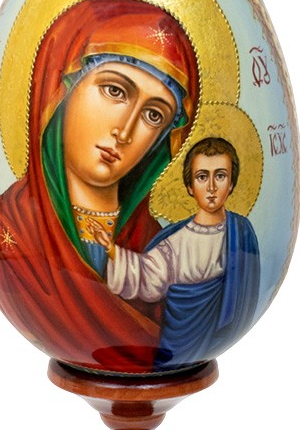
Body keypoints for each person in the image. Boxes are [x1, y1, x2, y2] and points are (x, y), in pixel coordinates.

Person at [0, 0, 199, 373]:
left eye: (153, 114)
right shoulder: (3, 232)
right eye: (115, 91)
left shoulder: (162, 251)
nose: (125, 131)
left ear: (164, 141)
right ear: (61, 90)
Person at [90, 137, 260, 369]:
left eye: (220, 176)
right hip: (178, 342)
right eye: (202, 177)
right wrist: (110, 250)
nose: (211, 187)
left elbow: (248, 291)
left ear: (231, 183)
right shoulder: (175, 241)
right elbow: (147, 277)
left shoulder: (241, 232)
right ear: (190, 186)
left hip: (219, 337)